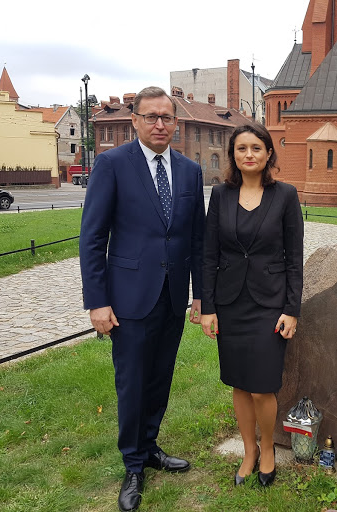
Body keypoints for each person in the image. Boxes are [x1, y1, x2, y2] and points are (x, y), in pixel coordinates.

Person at [79, 86, 205, 512]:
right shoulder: (112, 164)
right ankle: (133, 464)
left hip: (173, 296)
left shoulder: (189, 171)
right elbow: (92, 238)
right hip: (128, 300)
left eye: (166, 117)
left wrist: (200, 296)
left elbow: (197, 240)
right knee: (132, 384)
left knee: (160, 379)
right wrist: (97, 301)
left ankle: (149, 446)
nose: (159, 125)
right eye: (151, 117)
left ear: (176, 122)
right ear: (135, 121)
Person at [200, 123, 304, 487]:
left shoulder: (285, 195)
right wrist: (208, 307)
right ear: (233, 154)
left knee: (262, 385)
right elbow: (209, 254)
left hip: (270, 304)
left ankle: (268, 447)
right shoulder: (221, 195)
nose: (249, 154)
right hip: (230, 303)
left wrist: (292, 309)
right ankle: (249, 451)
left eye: (256, 148)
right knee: (239, 384)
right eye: (241, 148)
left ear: (268, 153)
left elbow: (294, 258)